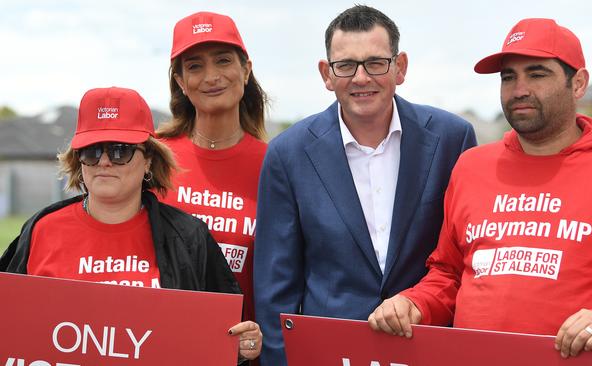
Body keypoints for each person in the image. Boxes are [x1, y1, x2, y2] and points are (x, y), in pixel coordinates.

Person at [368, 17, 592, 360]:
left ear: (578, 83)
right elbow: (448, 274)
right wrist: (413, 302)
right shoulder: (472, 167)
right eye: (508, 77)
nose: (519, 89)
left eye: (537, 74)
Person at [253, 5, 476, 365]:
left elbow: (464, 260)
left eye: (376, 63)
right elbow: (275, 288)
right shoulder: (287, 153)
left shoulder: (452, 139)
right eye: (345, 66)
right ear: (326, 74)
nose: (361, 78)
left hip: (425, 347)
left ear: (400, 67)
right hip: (327, 352)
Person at [0, 86, 263, 363]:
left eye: (119, 151)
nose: (104, 162)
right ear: (79, 161)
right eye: (90, 151)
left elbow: (226, 335)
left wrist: (243, 344)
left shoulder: (188, 236)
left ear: (148, 159)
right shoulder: (41, 228)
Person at [156, 11, 268, 326]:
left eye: (222, 61)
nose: (211, 76)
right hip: (159, 340)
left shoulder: (275, 165)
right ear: (180, 81)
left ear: (245, 70)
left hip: (242, 350)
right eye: (195, 66)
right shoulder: (152, 157)